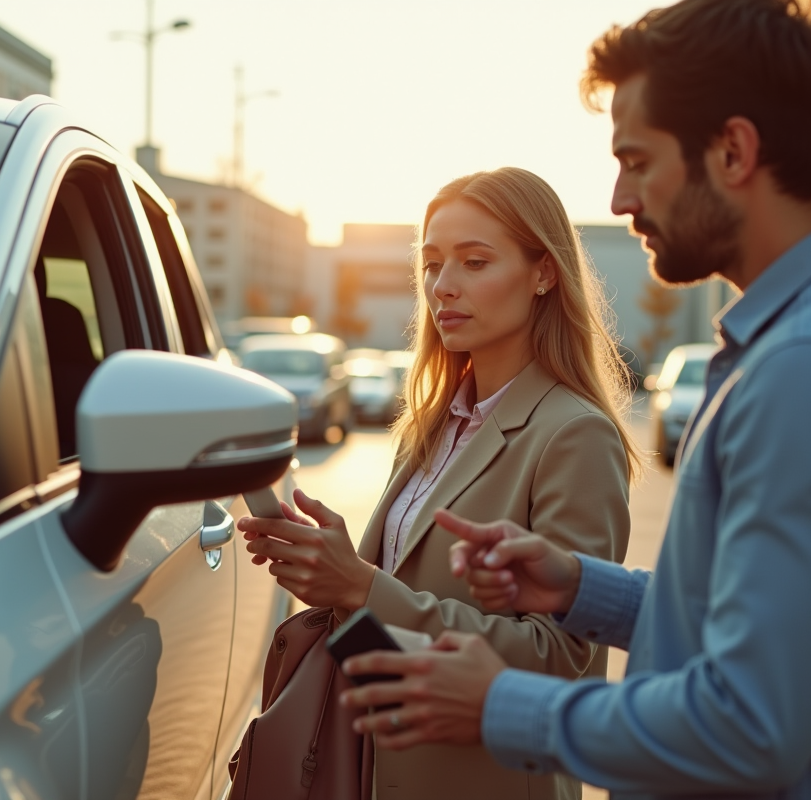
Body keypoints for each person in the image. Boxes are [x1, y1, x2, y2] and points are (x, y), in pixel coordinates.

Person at [339, 1, 811, 798]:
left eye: (637, 160)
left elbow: (749, 724)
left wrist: (501, 704)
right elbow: (776, 617)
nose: (620, 200)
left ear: (733, 151)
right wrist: (584, 588)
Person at [236, 166, 640, 800]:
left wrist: (362, 585)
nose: (442, 287)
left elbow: (558, 658)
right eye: (431, 264)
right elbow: (383, 632)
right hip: (373, 769)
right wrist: (330, 576)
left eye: (474, 263)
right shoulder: (432, 423)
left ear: (544, 273)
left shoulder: (573, 434)